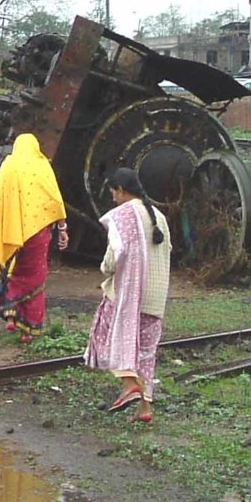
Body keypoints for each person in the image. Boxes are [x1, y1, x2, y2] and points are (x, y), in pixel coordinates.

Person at [84, 168, 171, 424]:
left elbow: (115, 255)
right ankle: (145, 409)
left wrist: (105, 269)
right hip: (155, 296)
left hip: (127, 294)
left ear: (121, 190)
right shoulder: (160, 217)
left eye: (113, 192)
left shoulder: (123, 216)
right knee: (145, 352)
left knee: (108, 336)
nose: (113, 199)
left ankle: (128, 383)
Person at [0, 133, 68, 343]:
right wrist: (62, 227)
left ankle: (11, 314)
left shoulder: (9, 164)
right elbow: (55, 199)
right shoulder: (43, 166)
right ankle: (28, 331)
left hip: (12, 232)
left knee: (13, 273)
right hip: (38, 232)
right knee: (35, 278)